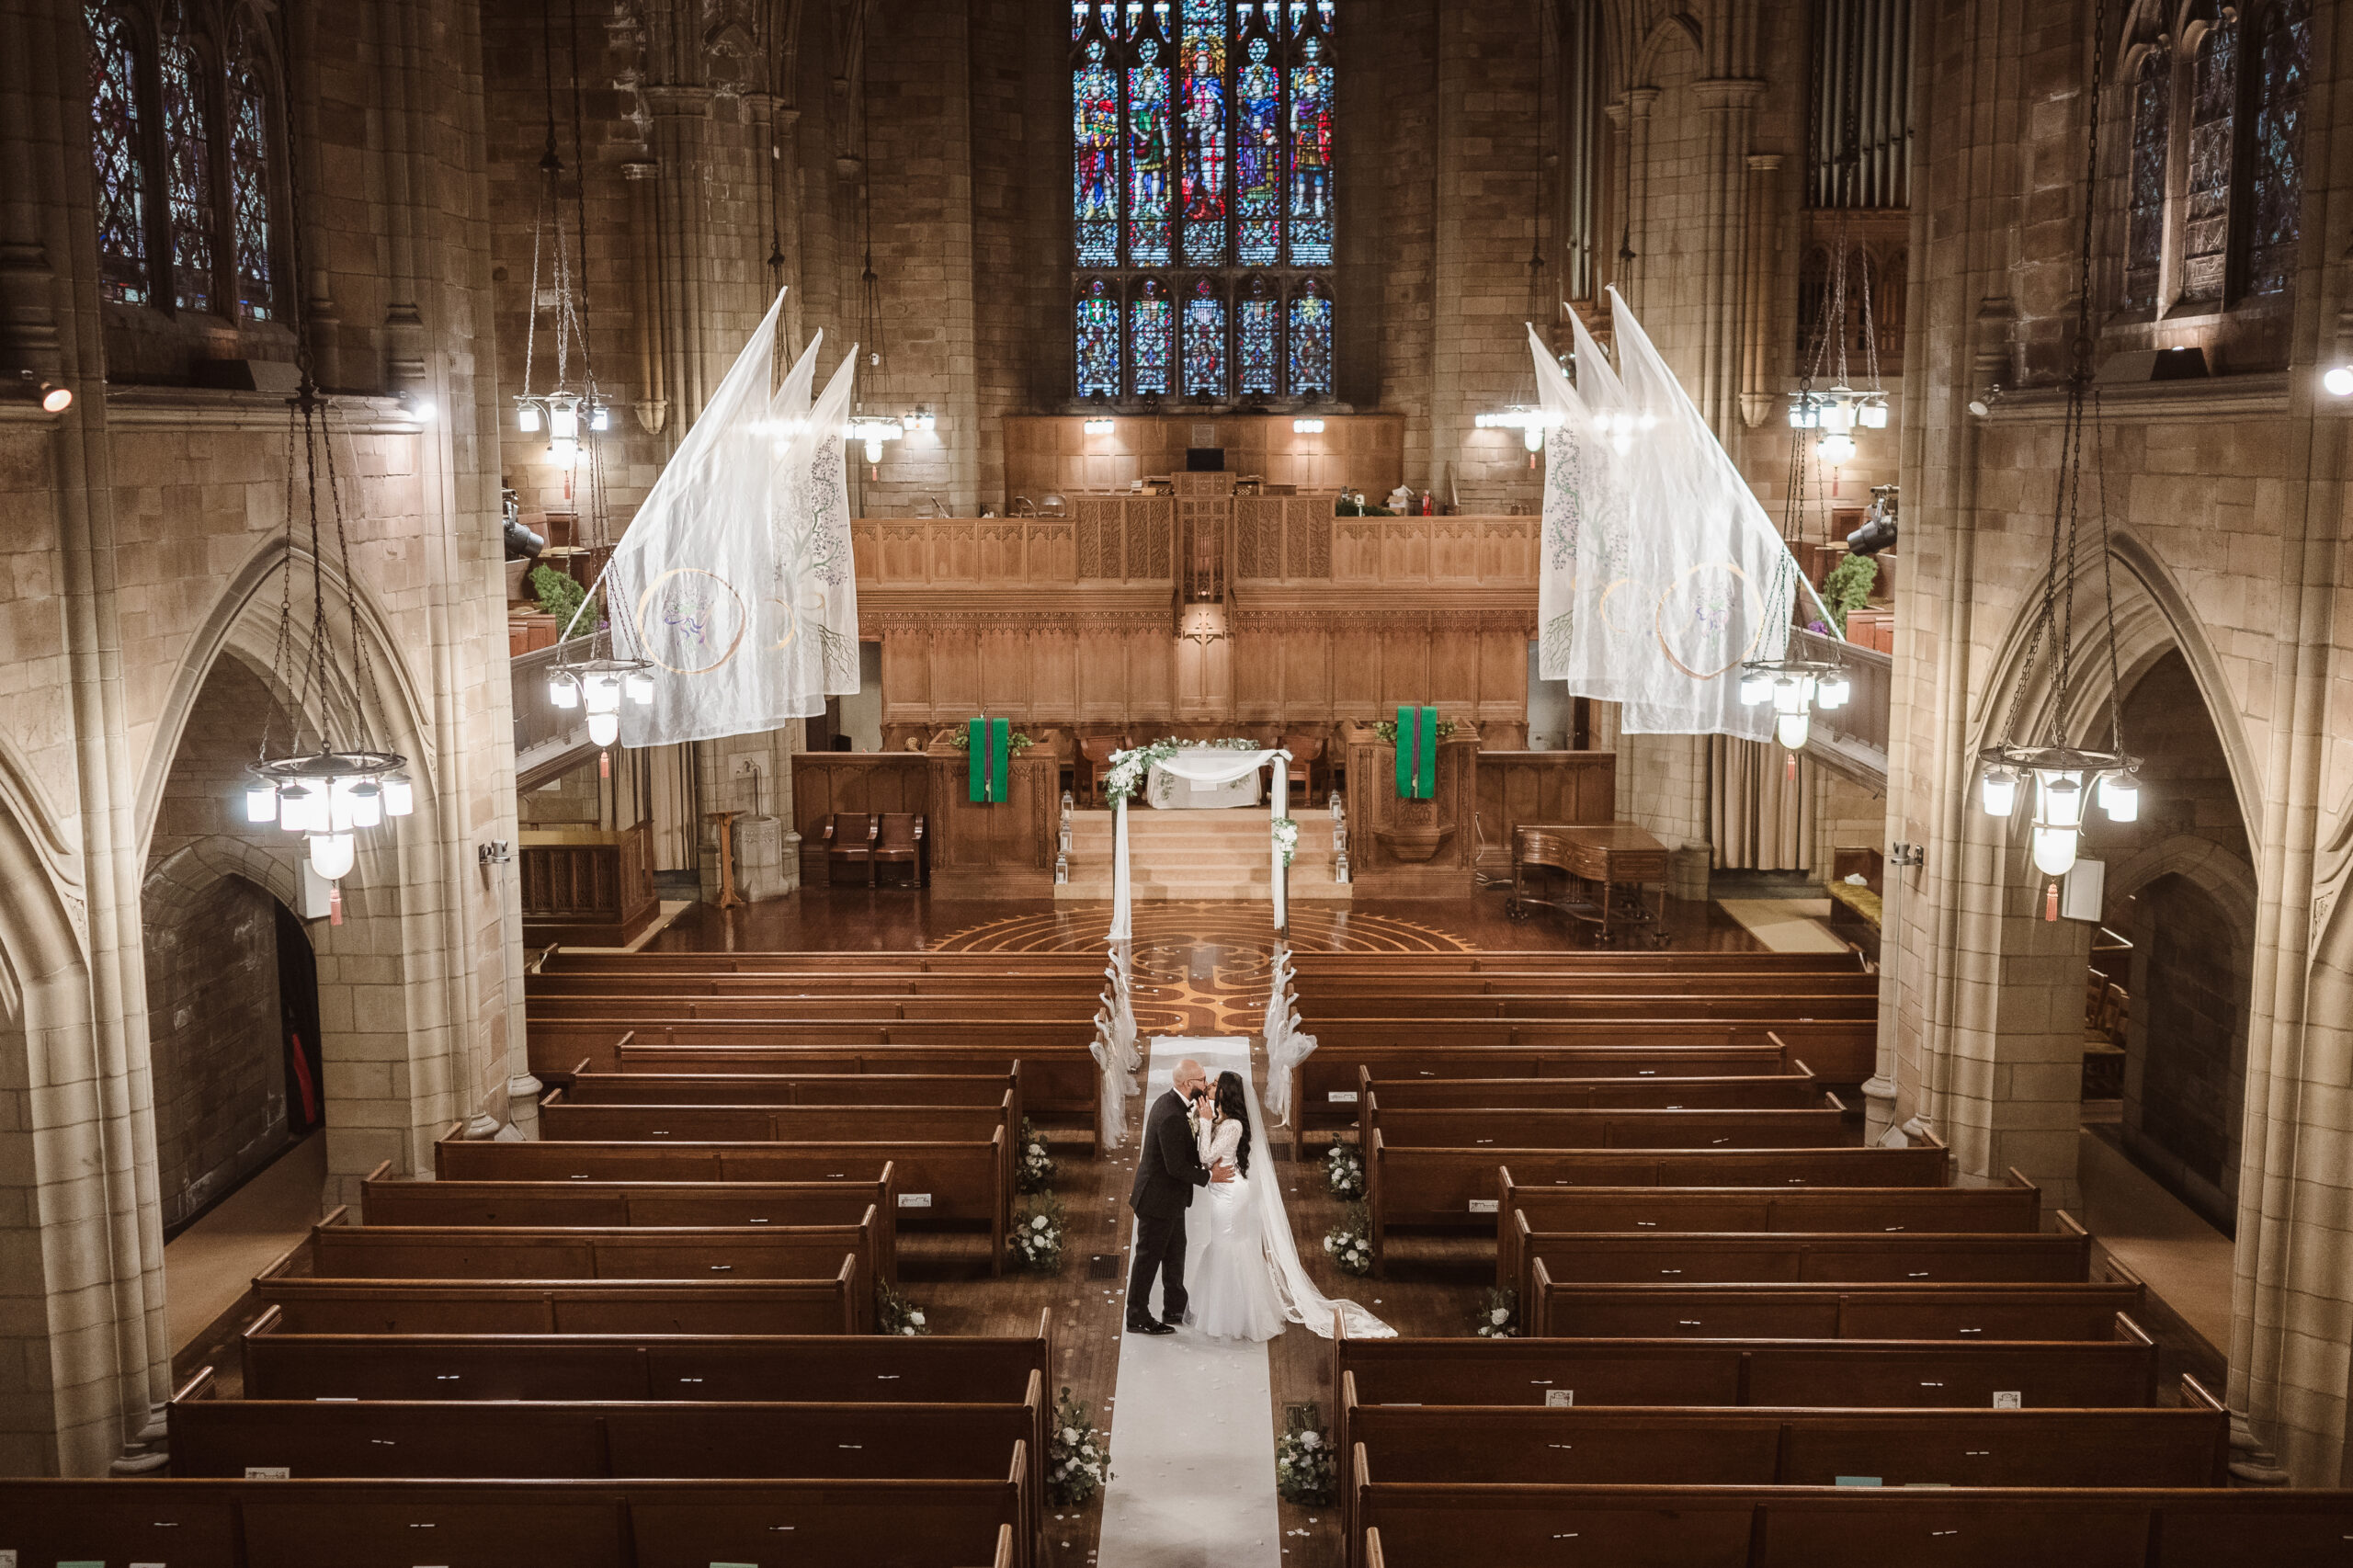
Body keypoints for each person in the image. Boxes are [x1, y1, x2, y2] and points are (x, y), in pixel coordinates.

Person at [1125, 1058, 1233, 1335]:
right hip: (1157, 1199)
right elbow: (1176, 1166)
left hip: (1169, 1199)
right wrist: (1210, 1176)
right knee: (1148, 1257)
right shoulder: (1172, 1114)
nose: (1206, 1083)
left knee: (1175, 1253)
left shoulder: (1176, 1105)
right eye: (1201, 1079)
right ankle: (1137, 1315)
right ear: (1187, 1084)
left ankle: (1175, 1306)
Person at [1180, 1070, 1288, 1341]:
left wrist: (1205, 1122)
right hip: (1222, 1190)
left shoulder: (1233, 1126)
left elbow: (1206, 1155)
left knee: (1227, 1247)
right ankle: (1230, 1311)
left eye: (1215, 1084)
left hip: (1229, 1196)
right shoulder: (1224, 1120)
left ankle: (1237, 1317)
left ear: (1225, 1093)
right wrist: (1205, 1118)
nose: (1210, 1086)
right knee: (1224, 1246)